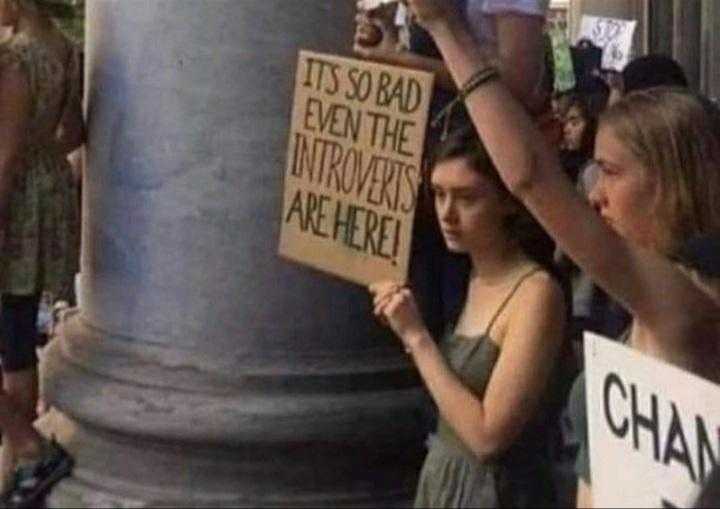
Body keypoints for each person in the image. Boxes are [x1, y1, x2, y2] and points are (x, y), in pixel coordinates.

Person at [401, 2, 720, 508]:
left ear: (667, 182)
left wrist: (445, 26)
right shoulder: (649, 308)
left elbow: (530, 177)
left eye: (610, 172)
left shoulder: (687, 308)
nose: (593, 195)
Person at [370, 126, 567, 508]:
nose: (447, 214)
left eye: (467, 198)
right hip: (445, 481)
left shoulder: (536, 293)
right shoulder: (468, 276)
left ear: (507, 201)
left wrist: (416, 337)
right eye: (439, 195)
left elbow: (488, 437)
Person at [0, 0, 83, 505]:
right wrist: (43, 150)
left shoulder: (16, 57)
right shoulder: (65, 48)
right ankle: (18, 462)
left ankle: (27, 450)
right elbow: (72, 132)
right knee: (16, 333)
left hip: (15, 203)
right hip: (47, 191)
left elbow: (5, 157)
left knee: (13, 332)